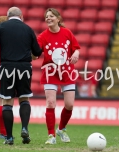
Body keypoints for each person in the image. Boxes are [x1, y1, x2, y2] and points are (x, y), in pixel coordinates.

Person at [0, 7, 42, 145]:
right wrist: (33, 55)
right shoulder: (28, 29)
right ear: (21, 16)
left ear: (8, 16)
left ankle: (9, 137)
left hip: (6, 67)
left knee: (7, 102)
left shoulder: (0, 27)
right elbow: (37, 50)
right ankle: (24, 128)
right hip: (24, 67)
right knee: (24, 99)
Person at [35, 8, 80, 144]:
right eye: (47, 16)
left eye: (51, 16)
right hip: (50, 72)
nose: (48, 18)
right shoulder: (42, 36)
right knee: (50, 103)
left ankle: (61, 129)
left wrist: (76, 53)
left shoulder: (67, 33)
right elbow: (36, 52)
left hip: (67, 72)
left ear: (58, 19)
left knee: (69, 105)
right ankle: (51, 136)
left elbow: (76, 47)